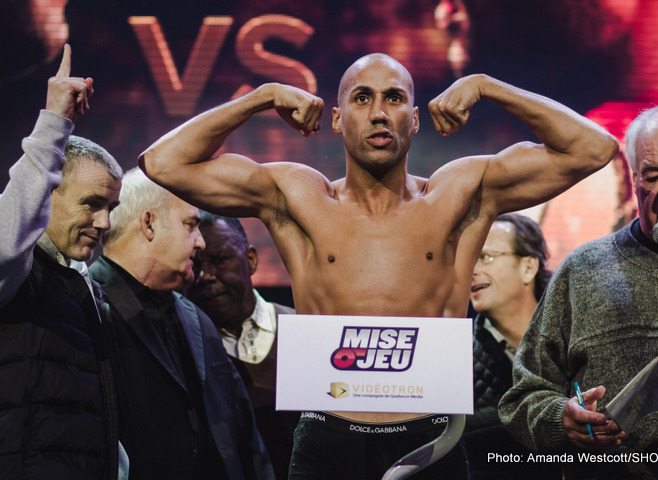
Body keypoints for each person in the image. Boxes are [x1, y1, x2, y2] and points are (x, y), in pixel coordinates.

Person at [138, 53, 618, 479]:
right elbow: (163, 162)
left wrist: (487, 85)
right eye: (362, 98)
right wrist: (260, 98)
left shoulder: (460, 194)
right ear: (338, 118)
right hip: (328, 436)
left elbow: (592, 148)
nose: (379, 112)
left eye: (393, 99)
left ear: (413, 119)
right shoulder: (299, 197)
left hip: (431, 438)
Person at [499, 105, 658, 478]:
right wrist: (562, 421)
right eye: (652, 174)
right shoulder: (583, 268)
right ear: (634, 180)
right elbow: (522, 398)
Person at [88, 168, 274, 480]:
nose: (200, 243)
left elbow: (244, 438)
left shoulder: (197, 320)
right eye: (191, 226)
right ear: (149, 224)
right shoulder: (86, 308)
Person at [0, 45, 127, 480]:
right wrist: (54, 122)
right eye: (92, 203)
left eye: (111, 206)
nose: (105, 222)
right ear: (45, 195)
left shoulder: (86, 288)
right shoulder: (17, 270)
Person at [185, 212, 298, 479]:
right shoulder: (183, 348)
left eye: (220, 260)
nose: (205, 275)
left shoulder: (303, 331)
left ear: (250, 260)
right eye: (194, 264)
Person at [462, 213, 559, 479]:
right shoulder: (456, 353)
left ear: (528, 267)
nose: (472, 270)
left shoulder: (573, 336)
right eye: (469, 259)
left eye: (485, 257)